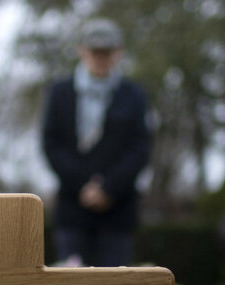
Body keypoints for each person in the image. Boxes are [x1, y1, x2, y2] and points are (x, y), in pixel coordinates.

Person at [41, 18, 151, 267]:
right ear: (82, 51)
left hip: (118, 211)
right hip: (72, 209)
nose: (100, 58)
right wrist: (83, 185)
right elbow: (51, 144)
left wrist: (109, 188)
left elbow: (141, 148)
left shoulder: (134, 95)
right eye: (95, 51)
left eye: (107, 52)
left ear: (119, 52)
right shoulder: (59, 92)